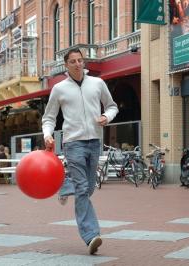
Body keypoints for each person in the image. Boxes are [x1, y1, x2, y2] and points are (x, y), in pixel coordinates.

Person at [42, 48, 118, 255]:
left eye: (80, 60)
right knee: (83, 189)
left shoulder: (98, 83)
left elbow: (112, 106)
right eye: (73, 61)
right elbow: (49, 117)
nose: (78, 64)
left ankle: (66, 187)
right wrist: (48, 134)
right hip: (73, 142)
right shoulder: (59, 89)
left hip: (94, 141)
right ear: (66, 65)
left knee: (89, 187)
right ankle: (91, 235)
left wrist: (106, 117)